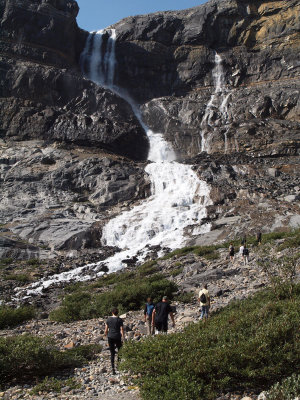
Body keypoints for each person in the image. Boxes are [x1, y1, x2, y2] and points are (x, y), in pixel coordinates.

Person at [104, 308, 125, 375]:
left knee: (112, 353)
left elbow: (106, 330)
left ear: (112, 312)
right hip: (117, 336)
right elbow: (122, 329)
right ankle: (118, 365)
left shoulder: (108, 319)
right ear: (117, 313)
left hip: (110, 336)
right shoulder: (119, 320)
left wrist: (106, 335)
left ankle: (113, 369)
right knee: (120, 351)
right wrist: (123, 337)